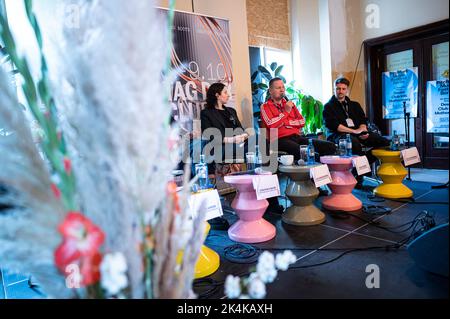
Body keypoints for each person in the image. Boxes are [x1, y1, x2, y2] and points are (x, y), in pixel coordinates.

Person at [260, 77, 336, 161]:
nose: (282, 90)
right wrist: (286, 112)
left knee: (330, 146)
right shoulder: (265, 106)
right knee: (308, 153)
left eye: (283, 87)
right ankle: (313, 171)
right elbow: (271, 124)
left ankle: (324, 171)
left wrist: (284, 123)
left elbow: (302, 122)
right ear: (270, 91)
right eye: (278, 88)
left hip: (296, 137)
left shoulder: (290, 104)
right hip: (279, 140)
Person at [323, 77, 390, 165]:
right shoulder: (328, 106)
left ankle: (364, 163)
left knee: (384, 142)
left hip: (357, 133)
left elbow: (363, 120)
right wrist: (354, 131)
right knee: (354, 142)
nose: (340, 91)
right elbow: (335, 126)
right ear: (334, 89)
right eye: (338, 89)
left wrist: (364, 131)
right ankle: (361, 169)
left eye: (343, 89)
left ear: (347, 90)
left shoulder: (355, 105)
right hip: (337, 135)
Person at [200, 82, 250, 164]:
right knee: (247, 149)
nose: (229, 95)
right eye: (225, 92)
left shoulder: (231, 111)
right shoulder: (206, 113)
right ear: (217, 95)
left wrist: (244, 136)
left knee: (259, 140)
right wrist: (232, 140)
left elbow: (240, 130)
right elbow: (210, 136)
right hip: (221, 148)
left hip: (238, 144)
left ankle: (266, 173)